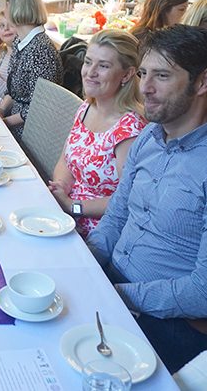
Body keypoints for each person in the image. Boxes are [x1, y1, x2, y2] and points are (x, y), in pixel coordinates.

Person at [86, 24, 207, 373]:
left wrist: (118, 295)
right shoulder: (149, 137)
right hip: (114, 287)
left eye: (162, 76)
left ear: (201, 82)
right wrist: (85, 262)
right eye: (142, 73)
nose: (145, 88)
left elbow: (201, 292)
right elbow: (116, 216)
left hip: (167, 322)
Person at [49, 29, 147, 239]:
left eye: (103, 66)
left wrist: (73, 206)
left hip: (98, 233)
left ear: (127, 74)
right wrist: (61, 187)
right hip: (66, 217)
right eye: (88, 62)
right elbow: (66, 161)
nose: (90, 72)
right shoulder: (86, 108)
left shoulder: (130, 130)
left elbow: (126, 200)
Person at [0, 0, 63, 139]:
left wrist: (3, 123)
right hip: (15, 123)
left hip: (31, 134)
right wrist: (0, 111)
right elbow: (13, 91)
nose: (4, 10)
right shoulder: (20, 42)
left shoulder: (41, 50)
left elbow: (39, 108)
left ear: (15, 8)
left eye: (6, 5)